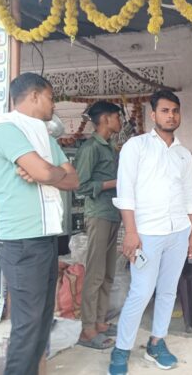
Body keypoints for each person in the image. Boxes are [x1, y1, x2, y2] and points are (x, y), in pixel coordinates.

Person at [108, 90, 192, 375]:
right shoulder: (136, 147)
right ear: (153, 114)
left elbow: (189, 196)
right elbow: (125, 192)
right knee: (141, 292)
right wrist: (131, 232)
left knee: (168, 291)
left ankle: (156, 343)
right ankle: (121, 349)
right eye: (165, 111)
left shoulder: (183, 154)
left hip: (178, 231)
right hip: (147, 233)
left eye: (175, 111)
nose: (171, 116)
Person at [0, 72, 79, 375]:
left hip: (45, 238)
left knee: (43, 321)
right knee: (28, 325)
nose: (53, 105)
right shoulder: (5, 128)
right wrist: (50, 173)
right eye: (50, 98)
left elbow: (73, 179)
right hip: (20, 241)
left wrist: (46, 173)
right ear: (33, 96)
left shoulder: (44, 137)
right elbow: (49, 173)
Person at [74, 101, 122, 349]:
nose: (120, 121)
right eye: (117, 117)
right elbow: (80, 186)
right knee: (94, 274)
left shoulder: (110, 147)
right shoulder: (91, 148)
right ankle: (87, 329)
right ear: (105, 119)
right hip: (98, 215)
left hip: (113, 214)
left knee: (108, 272)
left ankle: (100, 322)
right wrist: (114, 183)